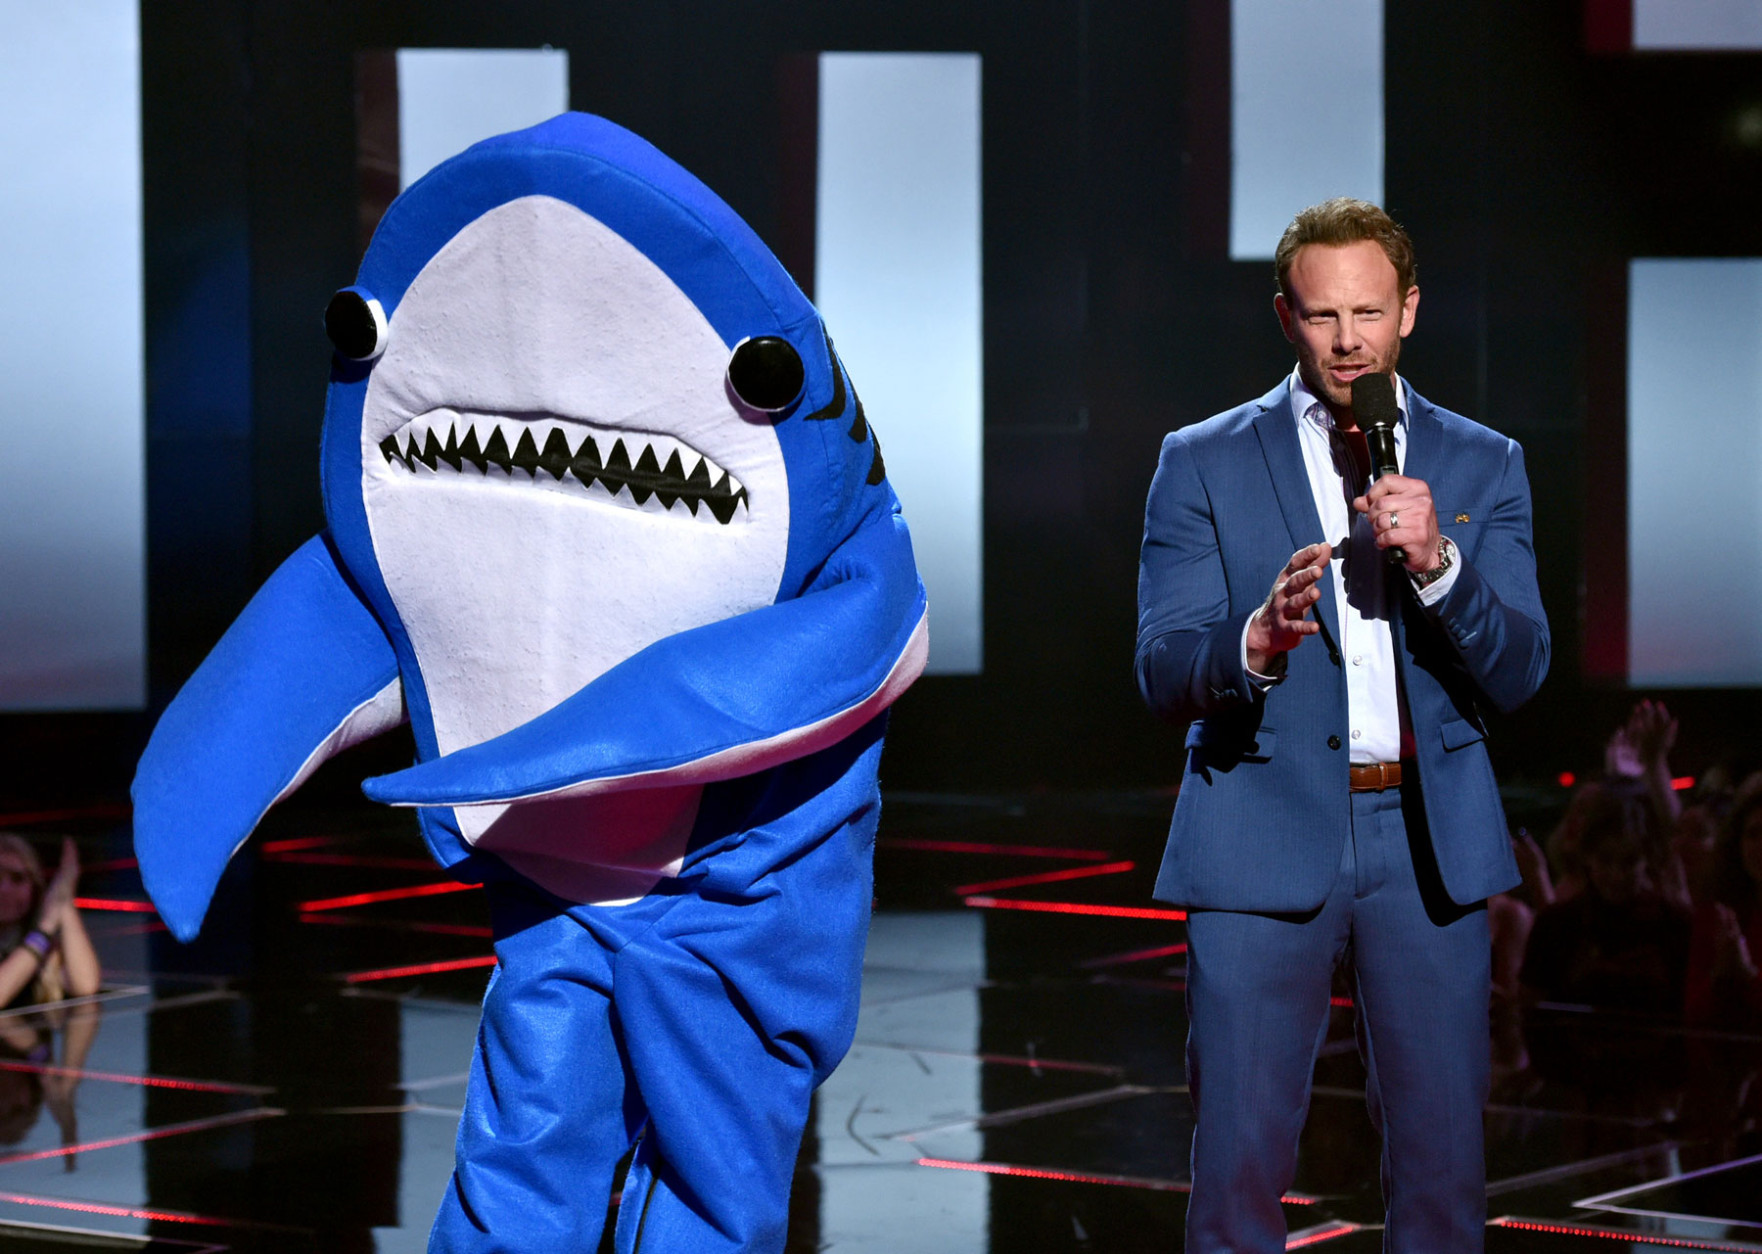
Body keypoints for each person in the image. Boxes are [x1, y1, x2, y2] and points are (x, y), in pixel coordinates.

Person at [1136, 198, 1549, 1253]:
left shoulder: (1484, 462)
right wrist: (1254, 641)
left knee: (1442, 1176)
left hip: (1426, 847)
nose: (1349, 340)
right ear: (1286, 317)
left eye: (1368, 312)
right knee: (1236, 1172)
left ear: (1408, 309)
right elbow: (1160, 667)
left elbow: (1520, 669)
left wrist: (1441, 566)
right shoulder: (1202, 459)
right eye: (1323, 316)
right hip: (1257, 833)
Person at [0, 835, 100, 1009]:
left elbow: (85, 987)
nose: (4, 889)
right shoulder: (41, 937)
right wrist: (45, 928)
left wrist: (63, 897)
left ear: (35, 887)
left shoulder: (43, 945)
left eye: (17, 878)